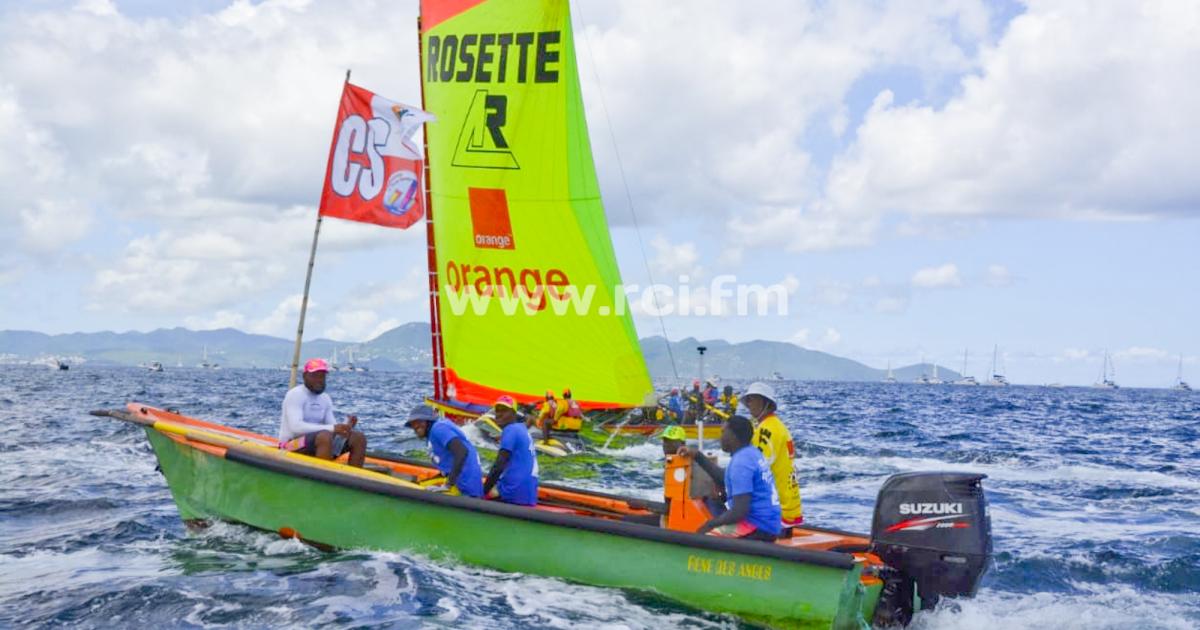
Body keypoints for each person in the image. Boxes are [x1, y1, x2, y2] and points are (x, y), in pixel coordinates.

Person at [684, 415, 781, 541]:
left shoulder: (741, 462)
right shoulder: (752, 453)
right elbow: (725, 477)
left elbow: (739, 512)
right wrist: (697, 455)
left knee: (703, 537)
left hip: (758, 527)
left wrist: (710, 525)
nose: (720, 437)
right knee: (712, 503)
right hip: (770, 524)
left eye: (724, 432)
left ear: (734, 436)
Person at [278, 358, 367, 467]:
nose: (319, 380)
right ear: (305, 376)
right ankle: (324, 477)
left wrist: (345, 427)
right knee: (324, 436)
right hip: (290, 446)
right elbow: (296, 428)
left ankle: (355, 479)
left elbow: (332, 426)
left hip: (317, 442)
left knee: (358, 437)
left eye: (322, 376)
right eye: (315, 376)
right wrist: (332, 428)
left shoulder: (325, 398)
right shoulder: (295, 394)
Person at [743, 381, 803, 535]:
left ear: (765, 402)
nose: (748, 404)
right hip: (787, 508)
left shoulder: (767, 430)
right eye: (747, 400)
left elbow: (755, 469)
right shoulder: (777, 426)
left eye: (752, 399)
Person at [404, 403, 483, 498]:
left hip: (466, 490)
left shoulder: (439, 428)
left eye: (420, 421)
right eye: (413, 423)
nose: (416, 426)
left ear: (429, 421)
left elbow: (462, 452)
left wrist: (448, 485)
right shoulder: (434, 432)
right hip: (462, 485)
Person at [482, 395, 539, 506]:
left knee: (483, 491)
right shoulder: (521, 428)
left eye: (504, 410)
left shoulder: (510, 430)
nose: (498, 414)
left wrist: (482, 492)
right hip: (529, 494)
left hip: (514, 492)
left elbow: (498, 466)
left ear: (513, 413)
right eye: (497, 410)